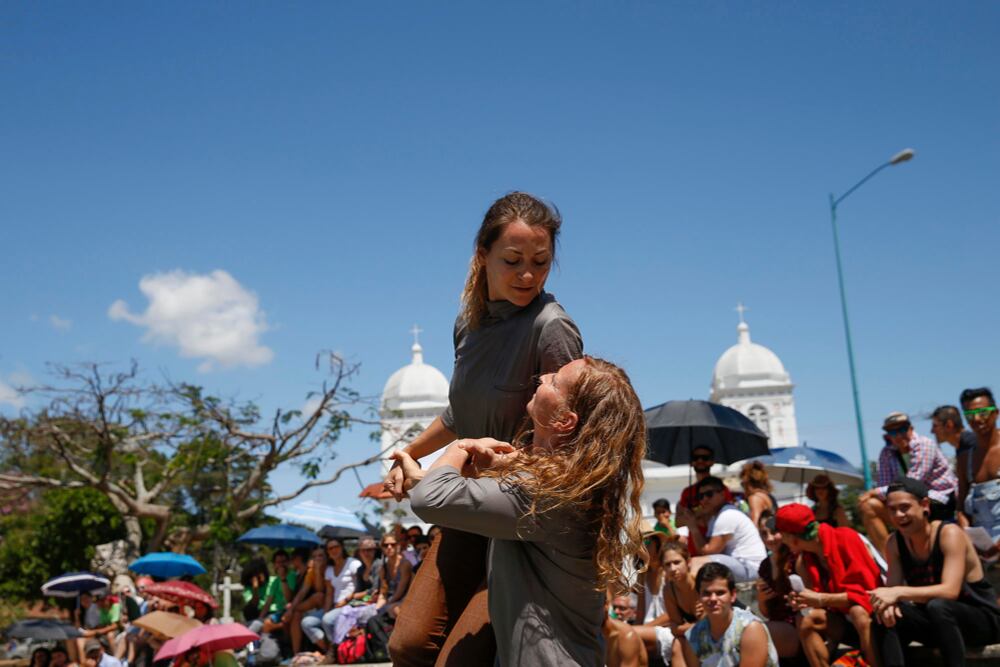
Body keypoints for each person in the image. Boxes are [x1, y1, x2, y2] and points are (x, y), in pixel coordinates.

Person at [383, 191, 583, 667]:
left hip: (517, 517)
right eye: (513, 261)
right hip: (463, 507)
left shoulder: (551, 328)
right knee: (407, 646)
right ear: (482, 255)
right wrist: (407, 453)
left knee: (460, 660)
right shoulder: (467, 324)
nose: (528, 275)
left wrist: (511, 463)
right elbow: (461, 413)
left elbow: (573, 436)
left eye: (540, 262)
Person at [399, 356, 645, 667]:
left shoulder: (546, 493)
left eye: (555, 381)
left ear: (565, 420)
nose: (543, 377)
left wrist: (459, 447)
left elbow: (429, 498)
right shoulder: (562, 486)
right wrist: (498, 468)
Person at [870, 478, 1000, 667]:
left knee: (939, 605)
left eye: (905, 507)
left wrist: (897, 593)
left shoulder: (949, 533)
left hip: (981, 622)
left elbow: (950, 591)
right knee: (886, 614)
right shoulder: (894, 543)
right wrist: (888, 604)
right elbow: (891, 592)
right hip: (938, 623)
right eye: (892, 509)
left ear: (924, 505)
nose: (898, 515)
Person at [776, 503, 882, 667]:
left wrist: (820, 598)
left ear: (793, 538)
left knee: (858, 612)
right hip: (843, 622)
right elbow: (814, 603)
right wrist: (802, 601)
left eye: (782, 535)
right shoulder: (804, 560)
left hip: (875, 621)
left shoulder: (847, 537)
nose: (781, 540)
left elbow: (868, 595)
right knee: (805, 619)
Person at [859, 411, 958, 555]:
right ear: (888, 435)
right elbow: (885, 487)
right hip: (909, 502)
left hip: (938, 501)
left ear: (911, 429)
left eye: (902, 429)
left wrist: (873, 492)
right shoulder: (886, 453)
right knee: (868, 506)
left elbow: (912, 486)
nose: (899, 436)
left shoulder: (924, 444)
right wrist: (876, 495)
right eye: (893, 432)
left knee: (902, 502)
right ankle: (889, 558)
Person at [676, 562, 778, 667]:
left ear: (733, 595)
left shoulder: (750, 628)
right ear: (699, 596)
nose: (713, 599)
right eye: (707, 593)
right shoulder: (694, 635)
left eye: (720, 593)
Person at [679, 476, 767, 583]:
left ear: (722, 494)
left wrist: (693, 528)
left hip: (749, 566)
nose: (704, 499)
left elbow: (707, 552)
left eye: (709, 494)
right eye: (700, 496)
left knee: (695, 564)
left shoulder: (726, 515)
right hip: (740, 563)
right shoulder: (715, 518)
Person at [754, 511, 800, 661]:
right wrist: (761, 599)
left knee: (751, 633)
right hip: (778, 626)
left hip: (797, 626)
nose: (769, 538)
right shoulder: (765, 566)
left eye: (774, 532)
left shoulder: (795, 558)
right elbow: (767, 613)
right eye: (764, 534)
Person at [959, 388, 1000, 546]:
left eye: (983, 413)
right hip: (981, 547)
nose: (976, 419)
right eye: (969, 415)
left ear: (996, 413)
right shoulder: (965, 459)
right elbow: (961, 509)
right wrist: (966, 532)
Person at [677, 446, 734, 556]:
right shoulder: (687, 492)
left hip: (716, 546)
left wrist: (694, 515)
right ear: (691, 462)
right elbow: (678, 522)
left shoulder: (721, 489)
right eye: (696, 457)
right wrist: (701, 514)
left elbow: (725, 514)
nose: (700, 460)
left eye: (705, 457)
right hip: (694, 547)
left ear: (712, 462)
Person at [284, 546, 328, 655]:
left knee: (318, 596)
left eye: (320, 556)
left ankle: (330, 652)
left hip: (327, 604)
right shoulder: (310, 572)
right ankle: (296, 654)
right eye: (314, 556)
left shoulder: (330, 569)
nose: (317, 559)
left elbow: (320, 590)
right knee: (295, 614)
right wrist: (291, 610)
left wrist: (317, 571)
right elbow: (302, 592)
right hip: (316, 607)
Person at [378, 532, 414, 618]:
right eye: (385, 545)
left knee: (394, 610)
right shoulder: (383, 568)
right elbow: (383, 592)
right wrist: (379, 606)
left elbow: (400, 592)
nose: (389, 547)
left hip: (405, 601)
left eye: (393, 544)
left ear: (398, 545)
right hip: (390, 601)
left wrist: (386, 604)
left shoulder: (405, 564)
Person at [739, 461, 776, 527]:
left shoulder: (755, 498)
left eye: (742, 484)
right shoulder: (768, 496)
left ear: (747, 483)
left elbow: (754, 524)